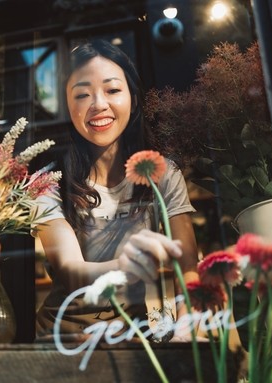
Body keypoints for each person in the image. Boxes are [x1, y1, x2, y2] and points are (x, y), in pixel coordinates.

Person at [33, 39, 199, 339]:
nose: (98, 104)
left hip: (132, 337)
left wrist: (186, 332)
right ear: (65, 107)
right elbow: (71, 272)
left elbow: (188, 271)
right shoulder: (49, 182)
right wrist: (125, 266)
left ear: (133, 99)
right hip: (64, 339)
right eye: (82, 94)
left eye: (112, 90)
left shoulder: (162, 174)